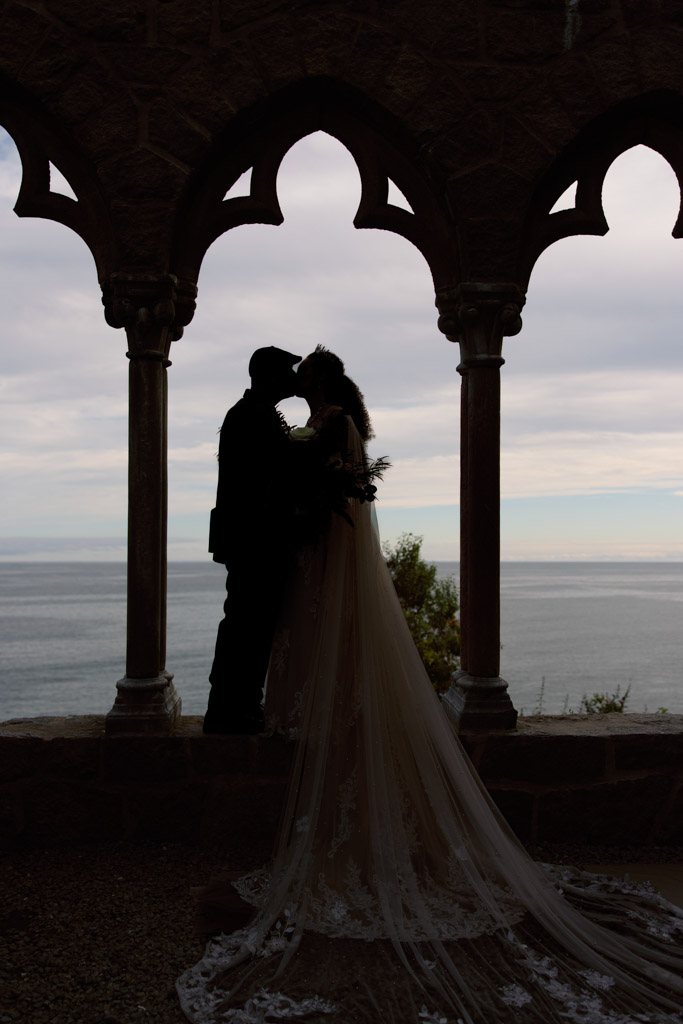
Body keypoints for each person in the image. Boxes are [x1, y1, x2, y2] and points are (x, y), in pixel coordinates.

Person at [180, 347, 683, 1022]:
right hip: (300, 545)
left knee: (271, 631)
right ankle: (261, 708)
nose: (296, 380)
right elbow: (294, 476)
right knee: (260, 631)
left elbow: (311, 476)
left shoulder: (326, 422)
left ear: (316, 379)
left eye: (303, 373)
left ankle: (283, 712)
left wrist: (307, 501)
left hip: (316, 549)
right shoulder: (294, 419)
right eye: (290, 372)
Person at [203, 346, 301, 735]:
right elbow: (266, 484)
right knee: (246, 625)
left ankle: (238, 704)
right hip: (255, 542)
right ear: (271, 376)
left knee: (248, 624)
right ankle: (231, 708)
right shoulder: (253, 416)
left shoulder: (253, 414)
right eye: (289, 371)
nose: (295, 379)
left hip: (251, 540)